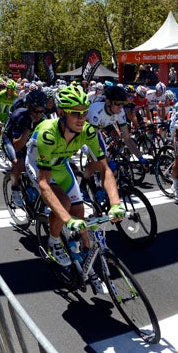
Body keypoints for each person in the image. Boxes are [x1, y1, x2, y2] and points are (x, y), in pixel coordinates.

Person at [26, 84, 126, 267]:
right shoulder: (48, 134)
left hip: (61, 165)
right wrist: (67, 220)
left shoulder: (87, 131)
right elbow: (43, 183)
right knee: (64, 204)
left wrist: (115, 204)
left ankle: (87, 260)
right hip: (39, 167)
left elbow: (105, 169)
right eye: (75, 113)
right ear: (61, 112)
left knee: (80, 212)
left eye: (84, 113)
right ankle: (54, 241)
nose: (81, 119)